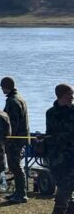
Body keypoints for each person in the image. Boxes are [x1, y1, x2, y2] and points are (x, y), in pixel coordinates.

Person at [45, 83, 74, 214]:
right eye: (69, 94)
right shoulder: (51, 113)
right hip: (59, 158)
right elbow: (51, 134)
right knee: (64, 189)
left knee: (69, 190)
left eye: (72, 94)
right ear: (61, 95)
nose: (72, 96)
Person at [0, 76, 29, 204]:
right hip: (21, 137)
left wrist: (7, 138)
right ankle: (18, 192)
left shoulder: (12, 101)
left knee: (15, 166)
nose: (1, 89)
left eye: (2, 87)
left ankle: (21, 194)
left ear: (5, 87)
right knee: (15, 165)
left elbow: (13, 123)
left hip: (15, 139)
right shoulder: (20, 98)